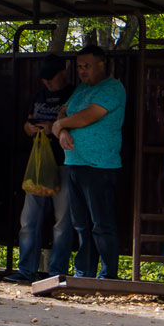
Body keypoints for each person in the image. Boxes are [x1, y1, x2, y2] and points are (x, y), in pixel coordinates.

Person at [51, 44, 126, 279]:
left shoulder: (112, 88)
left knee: (101, 223)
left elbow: (88, 117)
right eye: (79, 66)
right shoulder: (80, 89)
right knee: (81, 223)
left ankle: (109, 274)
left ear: (101, 65)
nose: (82, 71)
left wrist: (60, 126)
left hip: (100, 165)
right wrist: (61, 130)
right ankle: (84, 273)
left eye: (87, 66)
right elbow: (63, 113)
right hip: (75, 163)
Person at [6, 55, 76, 284]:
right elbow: (27, 125)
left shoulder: (74, 95)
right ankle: (26, 270)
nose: (47, 83)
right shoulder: (39, 96)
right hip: (37, 164)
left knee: (62, 222)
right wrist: (32, 129)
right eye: (43, 80)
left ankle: (56, 273)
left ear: (63, 73)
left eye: (51, 79)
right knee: (29, 220)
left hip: (65, 163)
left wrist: (52, 129)